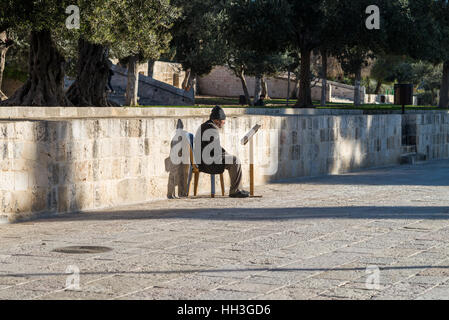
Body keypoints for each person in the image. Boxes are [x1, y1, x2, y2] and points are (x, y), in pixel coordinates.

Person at [194, 106, 249, 198]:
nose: (224, 123)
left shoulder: (206, 126)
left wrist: (225, 154)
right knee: (235, 160)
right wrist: (225, 155)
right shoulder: (212, 129)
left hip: (204, 159)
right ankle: (235, 191)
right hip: (208, 162)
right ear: (217, 120)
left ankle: (237, 189)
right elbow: (214, 150)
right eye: (223, 121)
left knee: (232, 159)